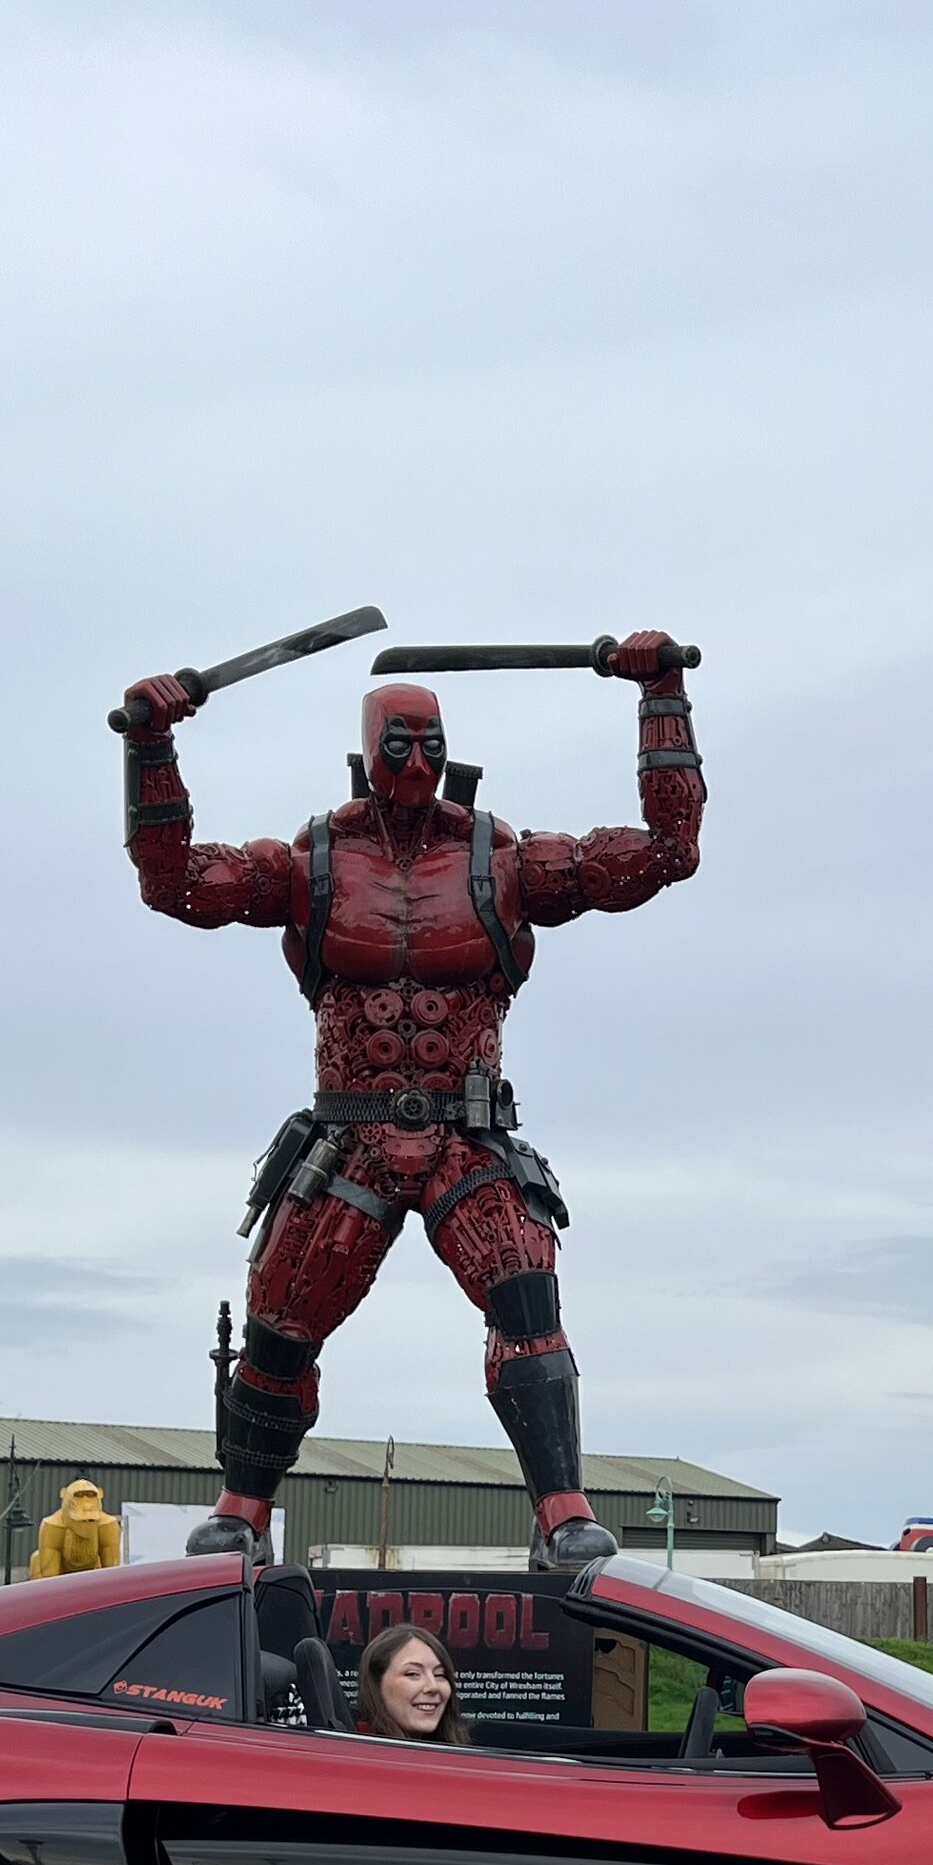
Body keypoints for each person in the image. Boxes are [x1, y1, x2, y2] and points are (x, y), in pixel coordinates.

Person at [116, 632, 704, 1572]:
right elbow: (174, 882)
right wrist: (152, 751)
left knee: (526, 1299)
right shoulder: (312, 862)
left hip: (466, 1132)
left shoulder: (502, 860)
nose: (419, 763)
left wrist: (660, 698)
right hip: (348, 1134)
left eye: (432, 743)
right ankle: (242, 1507)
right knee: (279, 1322)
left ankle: (563, 1512)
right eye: (400, 745)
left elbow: (667, 853)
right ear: (366, 748)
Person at [356, 1622, 468, 1746]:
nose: (433, 1686)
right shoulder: (354, 1752)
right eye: (413, 1674)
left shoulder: (453, 1754)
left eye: (440, 1675)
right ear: (376, 1683)